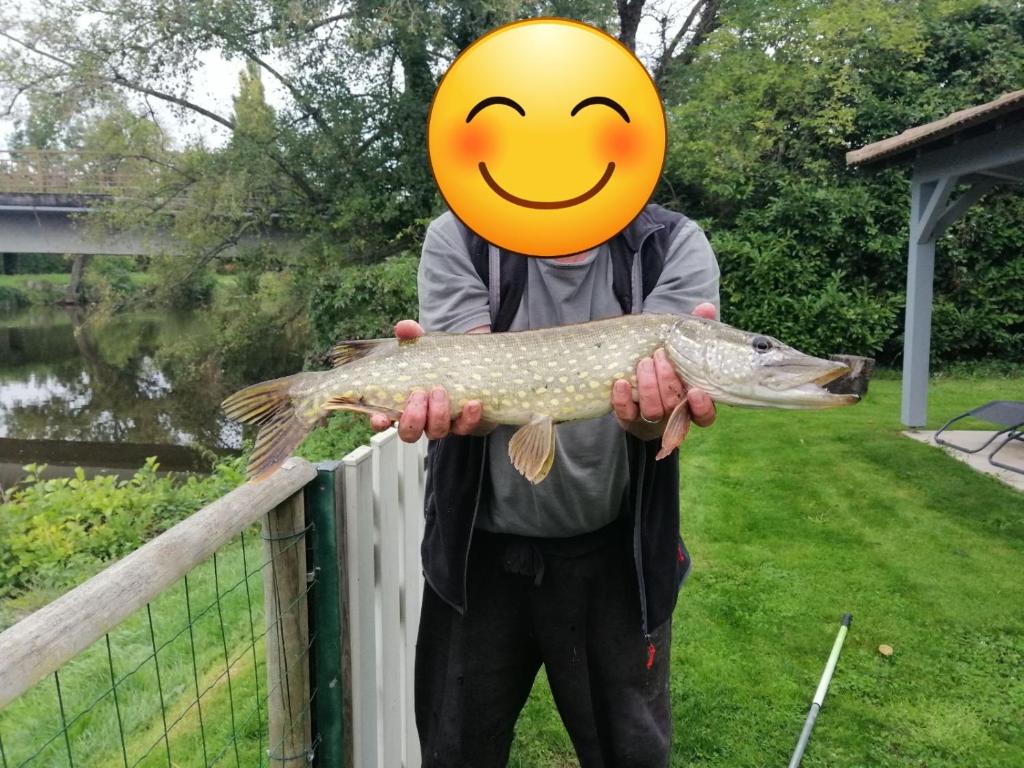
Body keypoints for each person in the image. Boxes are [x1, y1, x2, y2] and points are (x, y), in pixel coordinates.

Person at [369, 203, 720, 767]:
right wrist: (445, 399)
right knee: (455, 754)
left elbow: (654, 419)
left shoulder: (666, 243)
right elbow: (480, 401)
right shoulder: (463, 236)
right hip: (476, 558)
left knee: (629, 757)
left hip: (617, 558)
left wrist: (652, 418)